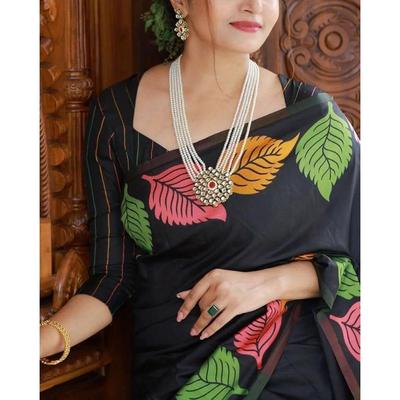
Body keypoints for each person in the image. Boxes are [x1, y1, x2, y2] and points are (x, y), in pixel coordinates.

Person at [40, 0, 360, 399]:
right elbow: (113, 278)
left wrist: (269, 283)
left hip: (292, 363)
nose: (253, 6)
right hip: (172, 370)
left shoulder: (314, 120)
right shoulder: (116, 114)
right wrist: (43, 340)